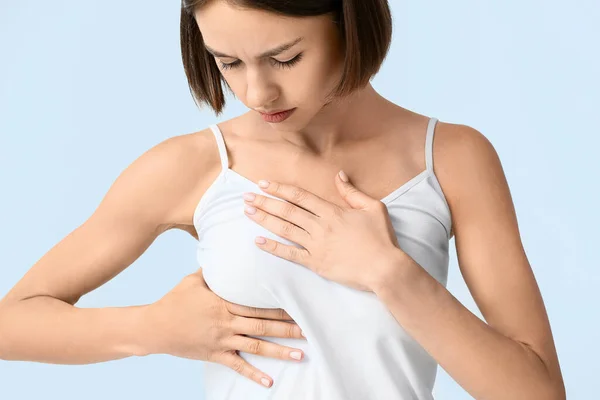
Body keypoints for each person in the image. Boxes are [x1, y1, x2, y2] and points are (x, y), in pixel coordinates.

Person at [0, 0, 566, 399]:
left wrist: (391, 274)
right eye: (228, 63)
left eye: (285, 58)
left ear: (350, 21)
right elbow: (11, 324)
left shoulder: (453, 158)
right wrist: (152, 328)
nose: (256, 91)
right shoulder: (192, 166)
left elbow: (537, 392)